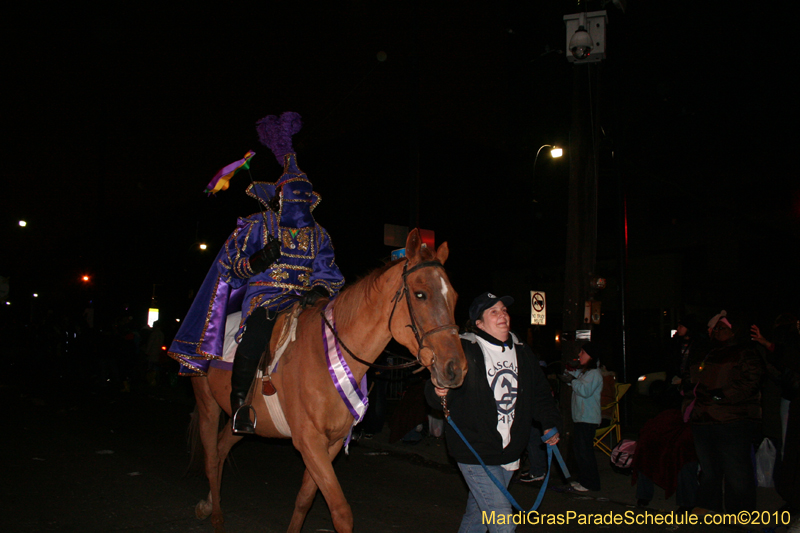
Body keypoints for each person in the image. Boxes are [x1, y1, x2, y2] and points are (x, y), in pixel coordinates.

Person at [168, 112, 345, 434]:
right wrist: (259, 260)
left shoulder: (319, 233)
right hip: (266, 296)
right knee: (257, 335)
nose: (300, 201)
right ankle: (241, 406)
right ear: (279, 198)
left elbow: (328, 272)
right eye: (294, 195)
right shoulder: (257, 225)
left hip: (305, 299)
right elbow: (232, 268)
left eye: (305, 196)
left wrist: (319, 290)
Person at [425, 292, 561, 533]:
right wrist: (438, 391)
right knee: (503, 524)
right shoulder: (463, 348)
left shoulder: (523, 351)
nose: (503, 315)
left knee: (477, 516)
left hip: (510, 450)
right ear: (479, 323)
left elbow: (540, 393)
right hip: (474, 449)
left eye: (504, 310)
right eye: (494, 312)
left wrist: (549, 423)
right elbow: (435, 388)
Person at [685, 311, 764, 513]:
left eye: (723, 328)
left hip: (731, 419)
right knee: (709, 468)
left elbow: (750, 382)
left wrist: (720, 396)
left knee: (735, 469)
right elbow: (698, 378)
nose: (717, 331)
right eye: (716, 328)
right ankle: (708, 505)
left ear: (734, 331)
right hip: (705, 417)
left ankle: (740, 511)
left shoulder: (746, 352)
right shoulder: (710, 351)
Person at [560, 341, 603, 492]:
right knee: (580, 451)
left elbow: (584, 390)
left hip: (588, 419)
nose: (579, 355)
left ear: (591, 356)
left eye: (583, 353)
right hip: (581, 418)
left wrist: (572, 380)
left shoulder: (594, 374)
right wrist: (568, 371)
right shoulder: (586, 372)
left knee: (585, 452)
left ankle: (591, 483)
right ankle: (584, 480)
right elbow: (574, 378)